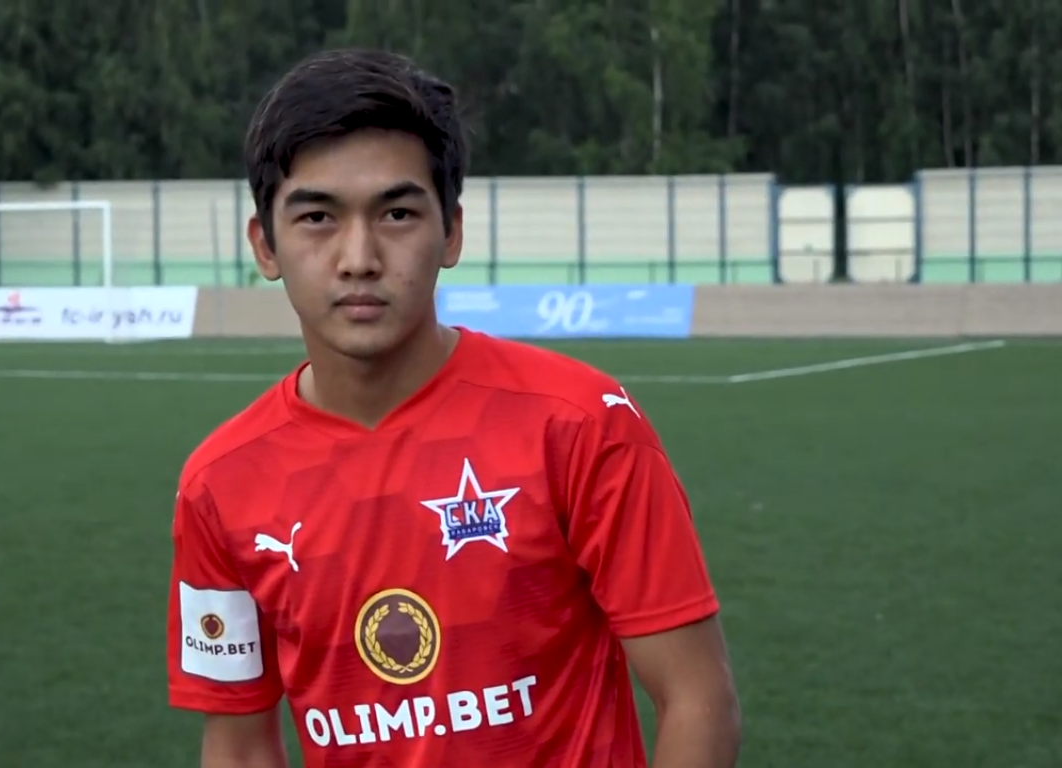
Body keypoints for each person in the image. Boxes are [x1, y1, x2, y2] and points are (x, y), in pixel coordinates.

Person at [166, 48, 742, 768]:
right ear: (265, 245)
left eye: (397, 213)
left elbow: (697, 698)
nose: (358, 257)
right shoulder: (220, 484)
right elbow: (240, 747)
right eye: (317, 217)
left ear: (452, 232)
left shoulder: (580, 423)